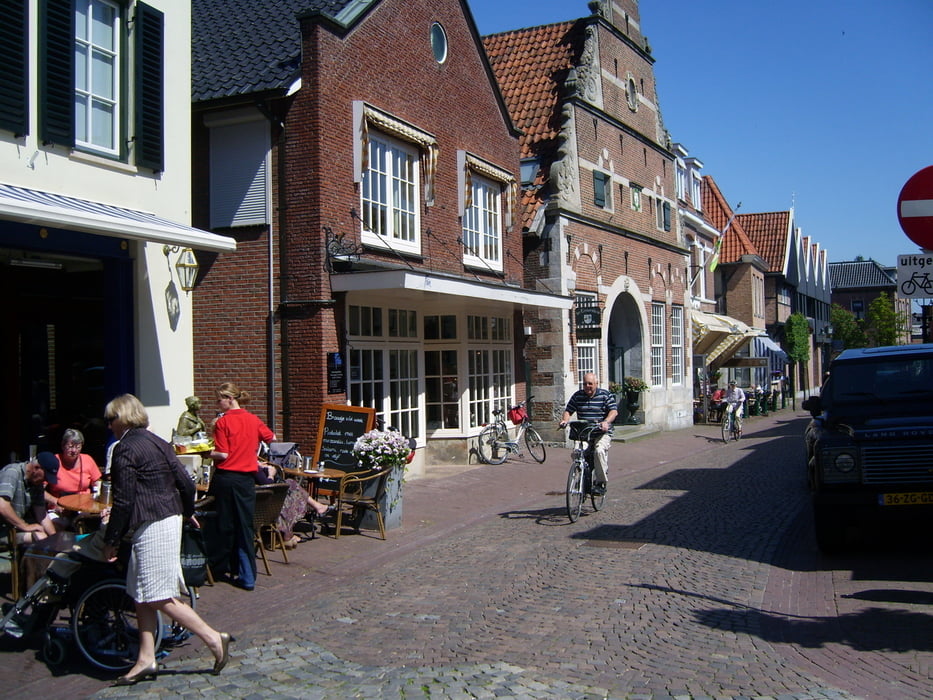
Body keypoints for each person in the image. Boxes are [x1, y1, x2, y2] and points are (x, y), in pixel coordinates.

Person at [101, 393, 231, 685]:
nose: (109, 426)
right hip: (167, 518)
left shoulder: (125, 449)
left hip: (152, 523)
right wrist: (185, 512)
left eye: (111, 419)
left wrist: (111, 539)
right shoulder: (158, 441)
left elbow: (123, 501)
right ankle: (146, 660)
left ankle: (214, 638)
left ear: (122, 418)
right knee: (140, 591)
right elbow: (185, 481)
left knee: (157, 593)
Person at [209, 383, 275, 591]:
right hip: (246, 480)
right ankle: (247, 576)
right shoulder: (253, 419)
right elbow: (272, 438)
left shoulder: (223, 422)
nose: (216, 404)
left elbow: (223, 454)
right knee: (244, 526)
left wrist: (205, 452)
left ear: (229, 399)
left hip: (226, 477)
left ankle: (219, 567)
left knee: (223, 524)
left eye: (219, 399)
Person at [559, 372, 618, 495]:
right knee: (577, 453)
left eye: (590, 383)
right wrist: (565, 420)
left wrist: (606, 422)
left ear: (596, 383)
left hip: (601, 432)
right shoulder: (577, 396)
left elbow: (613, 411)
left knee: (599, 451)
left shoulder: (605, 395)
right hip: (584, 433)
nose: (587, 386)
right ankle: (581, 478)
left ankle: (600, 483)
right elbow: (568, 411)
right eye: (585, 384)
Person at [45, 429, 103, 531]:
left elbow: (98, 484)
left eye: (78, 446)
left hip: (83, 509)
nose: (74, 451)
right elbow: (39, 490)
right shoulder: (54, 461)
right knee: (53, 528)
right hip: (59, 509)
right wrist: (56, 502)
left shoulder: (87, 460)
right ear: (63, 446)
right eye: (71, 446)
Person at [0, 453, 58, 544]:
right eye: (45, 477)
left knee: (51, 533)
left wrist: (55, 538)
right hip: (3, 530)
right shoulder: (12, 472)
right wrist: (25, 526)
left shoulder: (37, 484)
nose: (45, 481)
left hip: (16, 527)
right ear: (36, 467)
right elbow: (2, 505)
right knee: (40, 537)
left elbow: (41, 514)